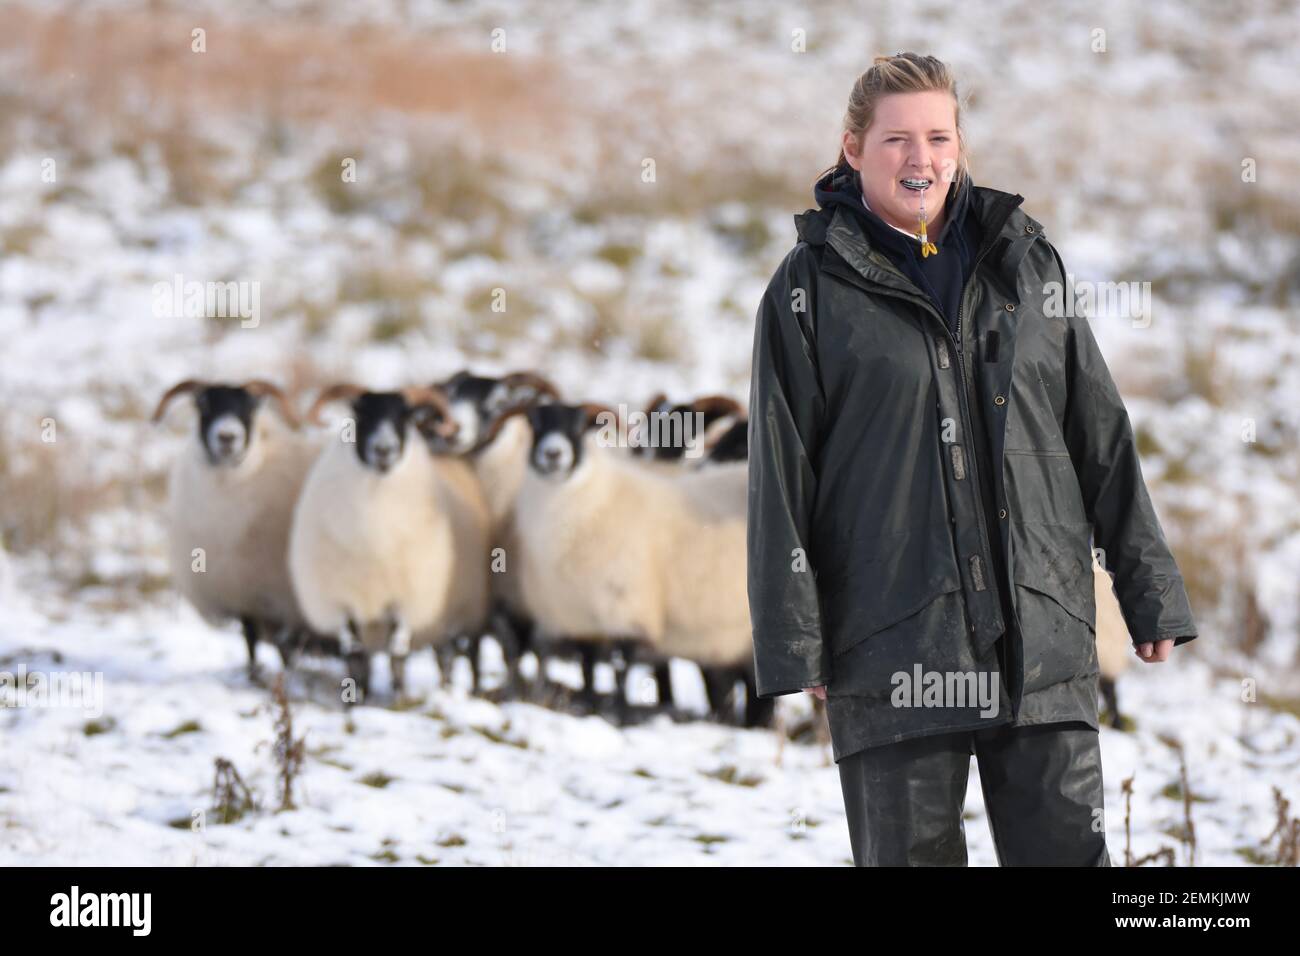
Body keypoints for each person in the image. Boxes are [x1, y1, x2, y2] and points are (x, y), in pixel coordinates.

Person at [745, 52, 1198, 866]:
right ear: (852, 148)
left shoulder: (1025, 261)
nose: (920, 159)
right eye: (896, 140)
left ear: (959, 144)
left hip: (1042, 632)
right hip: (890, 642)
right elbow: (781, 474)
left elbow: (1099, 431)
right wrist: (796, 638)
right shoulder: (807, 289)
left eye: (938, 137)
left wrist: (1149, 587)